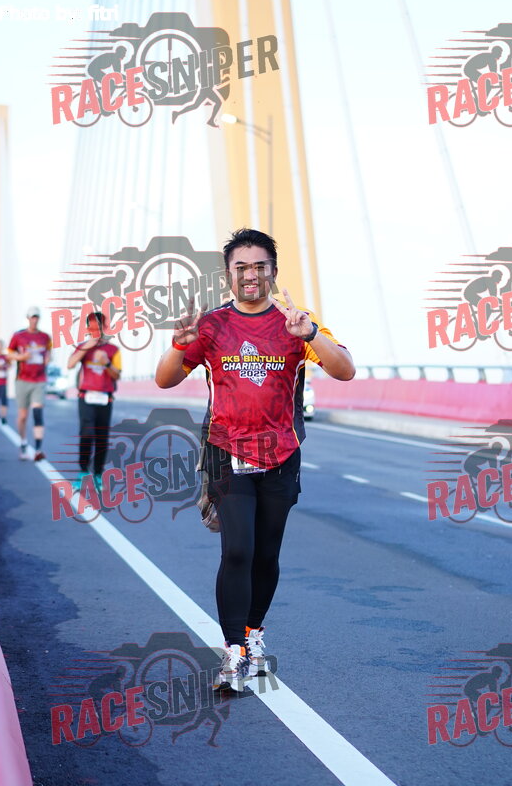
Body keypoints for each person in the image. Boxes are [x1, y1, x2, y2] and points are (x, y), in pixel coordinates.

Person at [155, 228, 355, 692]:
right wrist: (180, 343)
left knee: (266, 554)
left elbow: (344, 370)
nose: (251, 275)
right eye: (241, 267)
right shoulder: (211, 325)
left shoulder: (297, 322)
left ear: (274, 272)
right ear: (228, 275)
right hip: (227, 453)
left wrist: (310, 334)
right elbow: (165, 379)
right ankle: (234, 653)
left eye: (260, 266)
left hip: (281, 456)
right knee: (238, 550)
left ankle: (253, 634)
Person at [67, 311, 121, 493]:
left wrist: (106, 363)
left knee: (101, 437)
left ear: (104, 327)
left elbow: (117, 374)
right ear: (87, 329)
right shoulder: (82, 347)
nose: (95, 331)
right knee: (86, 434)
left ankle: (98, 474)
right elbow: (70, 364)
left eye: (98, 327)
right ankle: (83, 471)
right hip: (86, 397)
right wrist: (86, 347)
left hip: (105, 397)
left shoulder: (113, 350)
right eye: (91, 327)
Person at [7, 307, 52, 461]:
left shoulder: (45, 337)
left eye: (37, 317)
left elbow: (49, 351)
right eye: (32, 317)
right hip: (22, 380)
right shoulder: (18, 336)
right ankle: (23, 442)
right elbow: (9, 354)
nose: (34, 320)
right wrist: (21, 357)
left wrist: (48, 358)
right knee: (23, 416)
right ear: (28, 318)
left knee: (38, 412)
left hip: (39, 380)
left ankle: (38, 450)